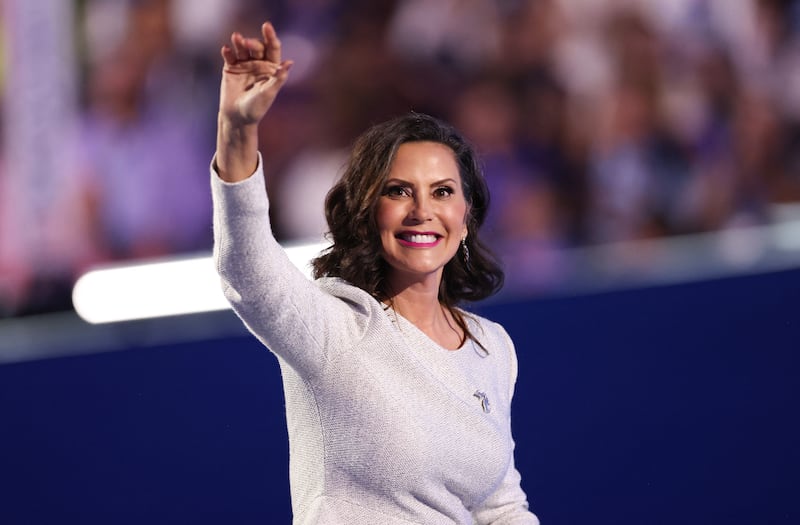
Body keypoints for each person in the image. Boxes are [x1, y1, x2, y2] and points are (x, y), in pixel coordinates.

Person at [211, 21, 539, 524]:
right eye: (398, 191)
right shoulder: (335, 327)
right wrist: (237, 131)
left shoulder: (492, 348)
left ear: (467, 216)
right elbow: (248, 270)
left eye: (443, 191)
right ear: (367, 210)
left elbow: (500, 507)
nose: (422, 211)